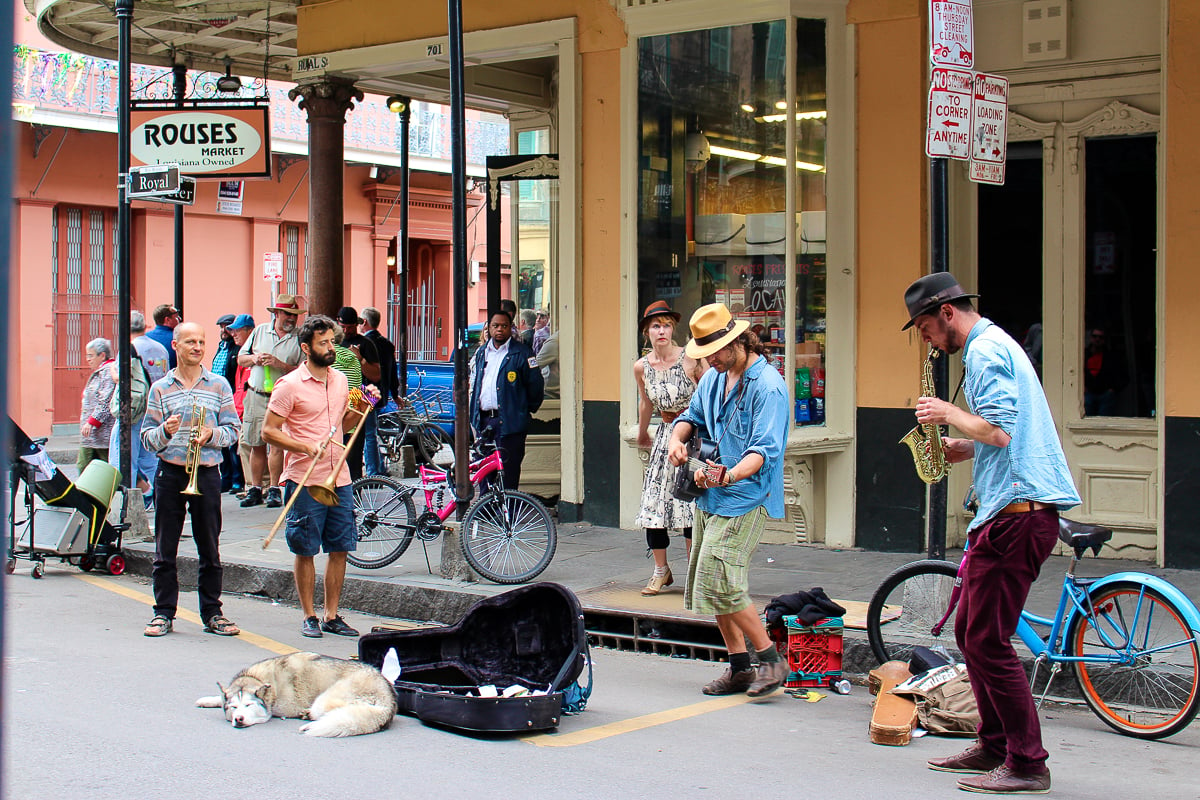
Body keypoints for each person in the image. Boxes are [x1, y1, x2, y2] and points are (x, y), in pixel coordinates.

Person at [901, 272, 1080, 795]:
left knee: (987, 640)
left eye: (927, 329)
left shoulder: (982, 352)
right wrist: (965, 446)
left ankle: (1027, 762)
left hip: (1017, 514)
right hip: (1008, 509)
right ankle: (995, 744)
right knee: (970, 635)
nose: (929, 341)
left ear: (948, 314)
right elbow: (1003, 436)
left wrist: (947, 414)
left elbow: (1000, 428)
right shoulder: (994, 344)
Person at [667, 302, 789, 698]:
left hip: (745, 497)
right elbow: (692, 416)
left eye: (715, 352)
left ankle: (771, 661)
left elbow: (764, 451)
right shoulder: (715, 378)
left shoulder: (768, 385)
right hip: (710, 495)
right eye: (705, 354)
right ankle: (739, 666)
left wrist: (728, 474)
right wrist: (676, 438)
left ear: (737, 341)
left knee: (722, 579)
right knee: (710, 580)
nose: (712, 361)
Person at [262, 314, 366, 639]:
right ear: (306, 347)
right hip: (304, 478)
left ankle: (332, 614)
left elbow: (343, 426)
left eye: (332, 341)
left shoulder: (339, 380)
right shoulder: (288, 384)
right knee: (305, 548)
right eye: (323, 343)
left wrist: (363, 404)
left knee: (341, 547)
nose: (330, 347)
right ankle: (309, 614)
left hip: (339, 476)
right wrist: (305, 446)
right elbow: (268, 431)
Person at [140, 321, 242, 638]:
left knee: (209, 548)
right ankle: (163, 613)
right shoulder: (161, 388)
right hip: (170, 472)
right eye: (190, 342)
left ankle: (212, 613)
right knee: (164, 549)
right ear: (176, 346)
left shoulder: (219, 385)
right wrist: (164, 432)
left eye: (201, 342)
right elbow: (146, 439)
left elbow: (234, 431)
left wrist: (212, 433)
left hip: (207, 472)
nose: (197, 347)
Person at [633, 300, 707, 596]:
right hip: (664, 438)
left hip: (690, 437)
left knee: (689, 505)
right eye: (655, 326)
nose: (661, 331)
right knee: (654, 507)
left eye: (665, 325)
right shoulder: (642, 367)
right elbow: (645, 403)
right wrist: (642, 434)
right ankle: (661, 570)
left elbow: (706, 397)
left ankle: (694, 572)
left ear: (673, 328)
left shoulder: (690, 359)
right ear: (646, 332)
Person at [237, 294, 305, 508]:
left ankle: (274, 488)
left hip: (283, 399)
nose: (292, 319)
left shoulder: (299, 337)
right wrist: (254, 359)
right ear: (276, 314)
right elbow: (241, 358)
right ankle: (255, 488)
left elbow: (304, 370)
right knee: (255, 443)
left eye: (294, 315)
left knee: (276, 445)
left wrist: (280, 364)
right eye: (288, 314)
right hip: (257, 395)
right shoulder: (258, 332)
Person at [469, 309, 544, 491]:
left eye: (504, 326)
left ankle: (507, 514)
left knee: (508, 471)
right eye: (495, 326)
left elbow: (535, 386)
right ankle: (486, 511)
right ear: (489, 328)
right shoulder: (482, 353)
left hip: (510, 422)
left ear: (511, 328)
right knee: (484, 469)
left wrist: (522, 411)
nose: (499, 330)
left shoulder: (523, 353)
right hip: (485, 420)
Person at [108, 311, 167, 505]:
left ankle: (127, 499)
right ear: (145, 326)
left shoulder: (129, 349)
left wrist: (112, 370)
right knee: (149, 456)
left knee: (124, 456)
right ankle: (151, 497)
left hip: (132, 410)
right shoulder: (160, 349)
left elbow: (121, 379)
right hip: (155, 407)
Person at [336, 306, 379, 481]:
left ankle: (354, 490)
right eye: (342, 327)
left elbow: (376, 375)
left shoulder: (366, 344)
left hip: (356, 400)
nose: (346, 331)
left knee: (354, 449)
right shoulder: (331, 343)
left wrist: (360, 359)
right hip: (334, 401)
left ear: (357, 325)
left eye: (350, 327)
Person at [360, 306, 399, 476]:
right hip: (381, 392)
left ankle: (373, 471)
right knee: (373, 431)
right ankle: (379, 467)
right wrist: (395, 394)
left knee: (368, 432)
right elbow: (392, 371)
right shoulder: (387, 344)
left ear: (364, 322)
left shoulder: (363, 344)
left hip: (365, 392)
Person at [211, 314, 241, 492]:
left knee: (233, 444)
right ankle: (226, 477)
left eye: (227, 327)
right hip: (217, 398)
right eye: (222, 327)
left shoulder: (236, 350)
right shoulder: (221, 347)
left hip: (231, 397)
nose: (224, 330)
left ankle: (237, 479)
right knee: (222, 443)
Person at [78, 337, 116, 472]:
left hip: (100, 432)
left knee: (90, 466)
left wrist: (92, 422)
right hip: (92, 434)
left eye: (91, 355)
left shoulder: (108, 371)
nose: (88, 359)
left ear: (102, 355)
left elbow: (105, 400)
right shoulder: (102, 371)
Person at [147, 303, 181, 369]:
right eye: (176, 317)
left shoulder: (146, 337)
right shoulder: (177, 338)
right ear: (167, 319)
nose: (179, 319)